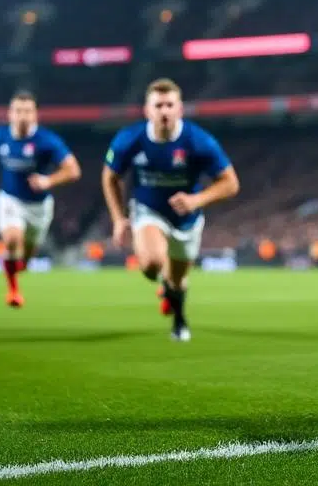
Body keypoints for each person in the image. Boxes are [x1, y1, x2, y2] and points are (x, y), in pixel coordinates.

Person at [101, 79, 240, 341]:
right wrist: (119, 218)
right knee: (151, 264)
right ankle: (167, 291)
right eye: (158, 105)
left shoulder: (199, 141)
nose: (164, 110)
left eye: (169, 105)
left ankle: (179, 319)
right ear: (147, 110)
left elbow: (231, 183)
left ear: (180, 109)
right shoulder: (129, 139)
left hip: (187, 218)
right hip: (147, 210)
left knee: (177, 281)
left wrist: (196, 201)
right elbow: (110, 176)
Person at [0, 91, 81, 307]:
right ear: (10, 114)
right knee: (12, 240)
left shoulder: (47, 140)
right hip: (9, 199)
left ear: (35, 115)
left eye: (27, 111)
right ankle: (13, 292)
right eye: (18, 111)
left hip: (39, 206)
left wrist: (49, 181)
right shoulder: (0, 135)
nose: (22, 115)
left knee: (24, 261)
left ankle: (16, 269)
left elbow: (73, 170)